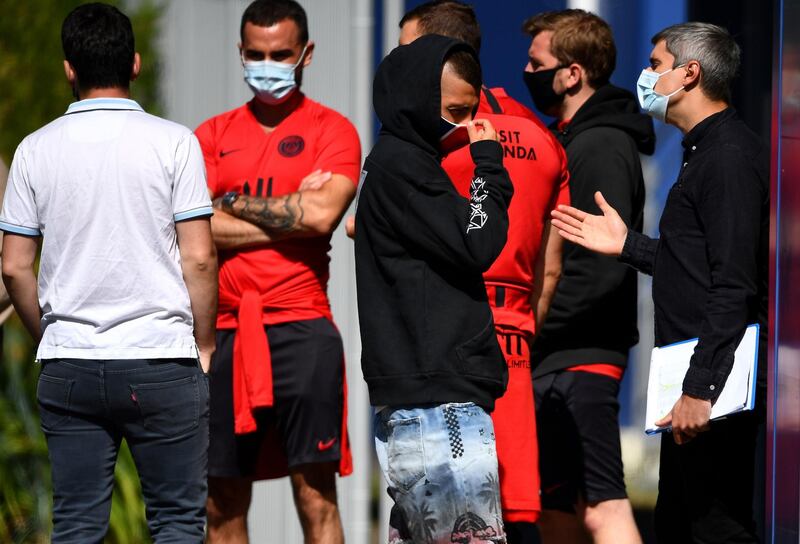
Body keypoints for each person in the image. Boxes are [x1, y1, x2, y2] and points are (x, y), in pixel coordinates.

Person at [0, 3, 217, 541]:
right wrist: (205, 342)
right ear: (136, 64)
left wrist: (47, 334)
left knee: (76, 524)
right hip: (162, 357)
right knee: (177, 521)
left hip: (71, 360)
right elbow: (199, 257)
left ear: (68, 69)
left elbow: (13, 266)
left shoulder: (34, 150)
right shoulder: (175, 143)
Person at [551, 22, 768, 544]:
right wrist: (629, 245)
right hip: (693, 397)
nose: (645, 76)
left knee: (717, 530)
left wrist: (701, 390)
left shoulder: (729, 157)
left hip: (710, 398)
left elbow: (733, 283)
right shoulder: (704, 154)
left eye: (655, 64)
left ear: (689, 74)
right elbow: (694, 264)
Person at [398, 3, 570, 542]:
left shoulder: (431, 141)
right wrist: (520, 329)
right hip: (514, 339)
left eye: (406, 51)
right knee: (516, 507)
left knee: (440, 511)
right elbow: (551, 267)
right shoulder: (542, 139)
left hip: (445, 343)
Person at [194, 1, 361, 542]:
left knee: (316, 499)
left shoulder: (333, 130)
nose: (268, 65)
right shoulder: (210, 135)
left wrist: (230, 201)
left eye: (281, 54)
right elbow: (191, 230)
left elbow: (321, 216)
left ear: (306, 53)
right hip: (222, 336)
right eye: (257, 54)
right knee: (221, 503)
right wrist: (291, 216)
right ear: (240, 53)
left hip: (303, 329)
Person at [355, 34, 513, 544]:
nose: (465, 127)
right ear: (416, 99)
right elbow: (478, 242)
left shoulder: (402, 163)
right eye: (453, 111)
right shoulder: (404, 166)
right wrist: (489, 164)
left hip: (428, 397)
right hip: (437, 400)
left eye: (471, 113)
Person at [522, 9, 655, 544]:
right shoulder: (571, 139)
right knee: (556, 510)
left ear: (572, 73)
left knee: (602, 507)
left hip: (583, 357)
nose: (526, 71)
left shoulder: (600, 144)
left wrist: (535, 328)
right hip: (555, 356)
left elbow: (600, 266)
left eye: (537, 62)